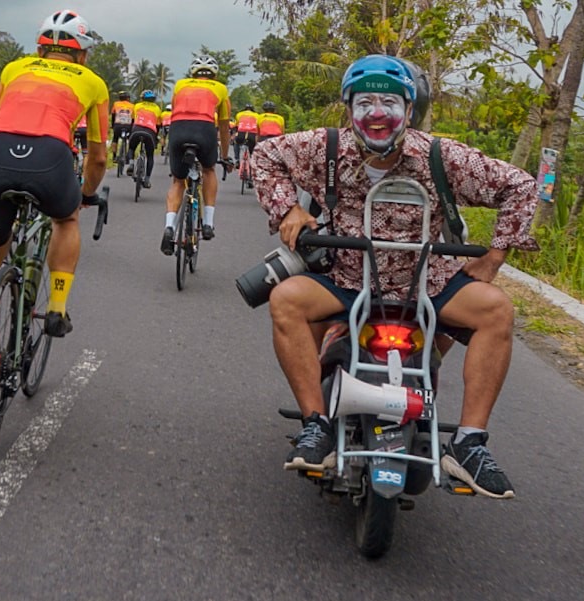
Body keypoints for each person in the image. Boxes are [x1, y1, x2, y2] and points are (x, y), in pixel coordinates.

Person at [250, 54, 539, 499]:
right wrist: (287, 208)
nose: (377, 113)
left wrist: (494, 257)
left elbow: (519, 185)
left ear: (408, 107)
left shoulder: (441, 156)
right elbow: (265, 154)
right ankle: (317, 425)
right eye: (365, 102)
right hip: (348, 279)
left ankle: (469, 444)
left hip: (427, 284)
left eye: (389, 101)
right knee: (286, 299)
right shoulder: (325, 148)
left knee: (496, 309)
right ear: (349, 109)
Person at [0, 9, 109, 341]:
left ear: (40, 50)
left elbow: (1, 116)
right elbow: (100, 158)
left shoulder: (13, 68)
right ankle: (57, 309)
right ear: (82, 53)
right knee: (66, 219)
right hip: (50, 154)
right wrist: (86, 194)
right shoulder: (93, 82)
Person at [160, 55, 231, 253]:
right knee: (209, 170)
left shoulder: (180, 85)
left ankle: (169, 227)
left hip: (179, 129)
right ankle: (208, 223)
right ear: (214, 74)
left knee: (177, 181)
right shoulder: (221, 88)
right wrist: (225, 157)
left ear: (193, 73)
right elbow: (224, 128)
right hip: (204, 129)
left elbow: (174, 111)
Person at [125, 89, 161, 188]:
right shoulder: (157, 108)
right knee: (150, 156)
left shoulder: (137, 106)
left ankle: (131, 164)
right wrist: (156, 138)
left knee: (131, 147)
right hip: (150, 132)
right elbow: (158, 125)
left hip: (136, 129)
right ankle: (147, 179)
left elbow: (132, 120)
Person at [110, 90, 134, 162]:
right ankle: (129, 156)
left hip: (118, 125)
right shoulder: (132, 106)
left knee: (115, 139)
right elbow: (133, 118)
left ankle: (114, 156)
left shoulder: (116, 104)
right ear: (128, 98)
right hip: (128, 125)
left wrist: (113, 125)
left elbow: (113, 115)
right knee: (130, 140)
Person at [233, 103, 259, 167]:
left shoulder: (239, 114)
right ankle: (253, 161)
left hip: (241, 133)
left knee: (236, 143)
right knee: (253, 147)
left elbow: (236, 126)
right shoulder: (257, 115)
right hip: (252, 134)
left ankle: (237, 160)